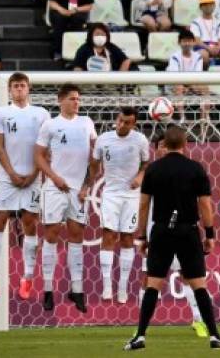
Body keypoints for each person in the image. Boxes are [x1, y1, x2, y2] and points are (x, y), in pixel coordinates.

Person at [124, 126, 220, 351]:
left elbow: (144, 204)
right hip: (187, 230)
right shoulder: (195, 168)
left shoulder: (153, 169)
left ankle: (140, 336)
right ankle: (214, 336)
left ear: (166, 144)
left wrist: (142, 235)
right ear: (185, 143)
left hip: (162, 230)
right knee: (198, 285)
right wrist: (210, 234)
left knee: (153, 284)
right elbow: (204, 204)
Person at [0, 72, 50, 300]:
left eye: (23, 85)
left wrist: (34, 173)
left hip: (34, 174)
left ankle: (28, 278)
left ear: (28, 88)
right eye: (15, 86)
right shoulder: (1, 113)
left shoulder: (41, 114)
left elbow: (44, 148)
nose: (19, 89)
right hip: (7, 176)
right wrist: (11, 172)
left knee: (30, 223)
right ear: (10, 90)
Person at [36, 83, 98, 313]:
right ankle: (48, 290)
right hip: (54, 188)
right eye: (72, 98)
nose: (76, 102)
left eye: (78, 99)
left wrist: (86, 186)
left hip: (77, 190)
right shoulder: (50, 124)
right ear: (60, 100)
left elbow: (96, 156)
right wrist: (53, 177)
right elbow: (39, 156)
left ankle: (78, 290)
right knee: (51, 235)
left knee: (76, 237)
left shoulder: (86, 123)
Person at [92, 107, 149, 302]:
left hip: (132, 195)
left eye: (127, 122)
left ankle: (123, 287)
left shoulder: (140, 140)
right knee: (108, 235)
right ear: (117, 119)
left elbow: (146, 163)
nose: (122, 125)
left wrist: (140, 177)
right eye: (120, 120)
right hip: (111, 194)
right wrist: (87, 185)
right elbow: (94, 162)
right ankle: (107, 286)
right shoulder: (104, 139)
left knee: (127, 238)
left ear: (134, 124)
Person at [190, 0, 220, 66]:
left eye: (210, 4)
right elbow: (197, 40)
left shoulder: (219, 22)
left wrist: (218, 48)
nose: (208, 7)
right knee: (203, 55)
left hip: (216, 45)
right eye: (205, 5)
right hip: (202, 46)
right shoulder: (195, 22)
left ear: (214, 6)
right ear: (200, 7)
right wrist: (209, 49)